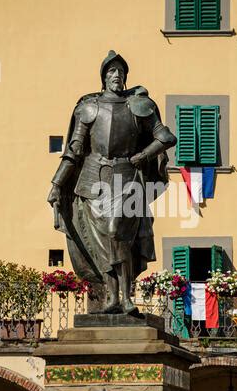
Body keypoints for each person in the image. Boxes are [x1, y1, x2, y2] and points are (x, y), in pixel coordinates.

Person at [47, 50, 176, 314]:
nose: (117, 75)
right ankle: (112, 297)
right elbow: (74, 150)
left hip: (126, 175)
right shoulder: (88, 107)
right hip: (92, 178)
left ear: (126, 77)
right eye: (112, 71)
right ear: (104, 77)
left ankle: (126, 296)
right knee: (102, 239)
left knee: (117, 231)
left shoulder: (139, 105)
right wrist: (58, 184)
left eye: (121, 71)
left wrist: (144, 154)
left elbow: (166, 137)